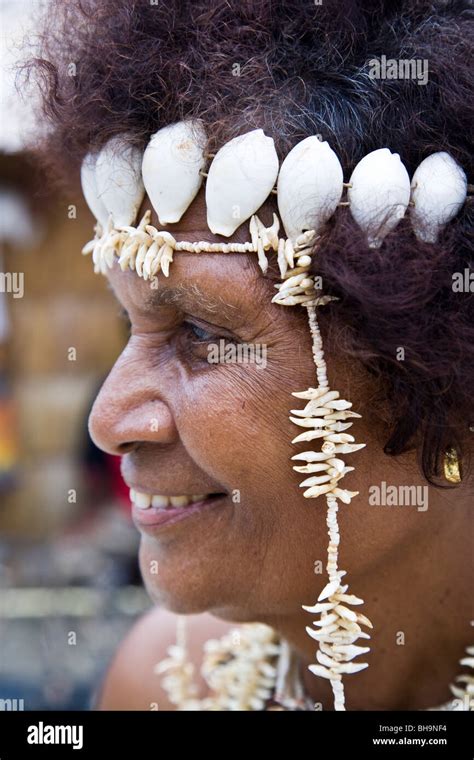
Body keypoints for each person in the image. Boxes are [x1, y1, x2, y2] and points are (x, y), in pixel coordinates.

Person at [27, 0, 473, 711]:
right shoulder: (165, 684)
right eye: (127, 324)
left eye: (202, 332)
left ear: (442, 380)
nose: (108, 420)